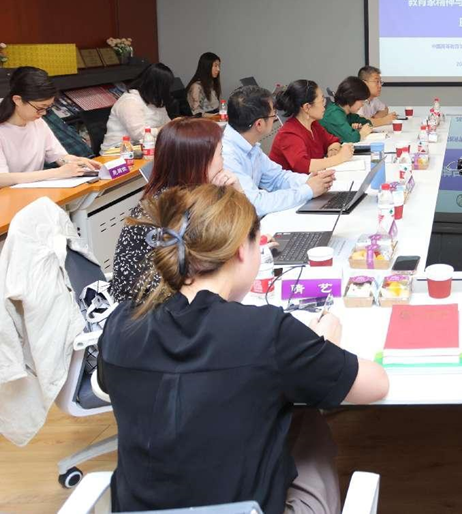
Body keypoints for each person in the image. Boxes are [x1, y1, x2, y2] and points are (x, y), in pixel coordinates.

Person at [98, 184, 390, 513]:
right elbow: (376, 384)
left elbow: (112, 383)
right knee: (305, 415)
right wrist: (324, 344)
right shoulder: (265, 331)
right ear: (241, 250)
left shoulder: (122, 322)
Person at [108, 118, 240, 303]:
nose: (223, 162)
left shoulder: (182, 195)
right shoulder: (173, 208)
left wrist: (235, 191)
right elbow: (229, 248)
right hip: (151, 309)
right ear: (198, 161)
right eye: (220, 154)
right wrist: (233, 196)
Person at [222, 85, 334, 217]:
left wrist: (310, 180)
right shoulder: (226, 154)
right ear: (259, 124)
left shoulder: (249, 145)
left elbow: (276, 178)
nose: (275, 118)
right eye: (273, 115)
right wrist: (308, 190)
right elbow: (255, 204)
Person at [0, 66, 100, 187]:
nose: (43, 113)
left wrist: (75, 161)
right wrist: (56, 172)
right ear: (18, 100)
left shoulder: (38, 122)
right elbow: (2, 178)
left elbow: (59, 156)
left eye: (47, 108)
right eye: (40, 108)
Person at [270, 80, 354, 174]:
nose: (324, 106)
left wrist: (333, 150)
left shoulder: (314, 124)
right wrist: (339, 158)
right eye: (322, 101)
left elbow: (333, 141)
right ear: (307, 107)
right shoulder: (288, 133)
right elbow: (303, 166)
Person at [101, 63, 173, 154]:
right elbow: (139, 135)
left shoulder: (156, 101)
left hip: (145, 148)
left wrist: (175, 125)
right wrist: (164, 129)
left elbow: (167, 123)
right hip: (118, 152)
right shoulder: (130, 101)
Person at [319, 76, 373, 144]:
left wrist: (360, 128)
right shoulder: (334, 114)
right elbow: (351, 138)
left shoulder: (347, 113)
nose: (362, 104)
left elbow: (368, 123)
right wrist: (362, 133)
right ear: (351, 98)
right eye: (361, 101)